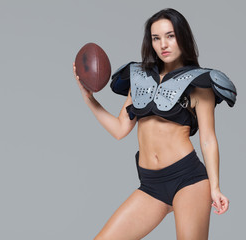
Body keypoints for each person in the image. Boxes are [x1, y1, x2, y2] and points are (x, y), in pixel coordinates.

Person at [73, 8, 236, 240]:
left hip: (188, 179)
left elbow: (208, 139)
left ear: (183, 37)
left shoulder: (201, 84)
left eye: (170, 36)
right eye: (156, 38)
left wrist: (215, 187)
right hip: (151, 185)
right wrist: (90, 100)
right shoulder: (139, 77)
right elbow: (121, 130)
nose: (163, 45)